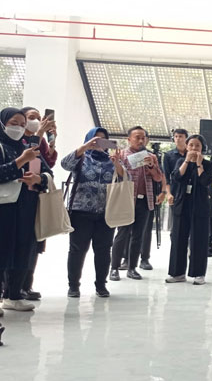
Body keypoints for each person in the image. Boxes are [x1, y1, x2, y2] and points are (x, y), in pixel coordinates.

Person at [61, 128, 125, 297]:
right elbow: (64, 164)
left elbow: (126, 180)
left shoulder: (112, 160)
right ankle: (73, 285)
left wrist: (117, 164)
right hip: (80, 212)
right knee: (77, 250)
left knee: (103, 250)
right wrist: (84, 147)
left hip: (106, 213)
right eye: (95, 140)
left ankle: (101, 285)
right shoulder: (81, 158)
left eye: (104, 140)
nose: (99, 143)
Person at [0, 108, 49, 312]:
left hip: (26, 206)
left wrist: (39, 179)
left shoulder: (26, 147)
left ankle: (15, 294)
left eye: (22, 124)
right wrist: (20, 161)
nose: (18, 128)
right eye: (14, 123)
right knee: (2, 252)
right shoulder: (2, 147)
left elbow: (47, 171)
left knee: (23, 249)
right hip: (4, 208)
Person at [110, 126, 163, 281]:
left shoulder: (151, 156)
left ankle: (132, 268)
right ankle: (114, 268)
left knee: (138, 236)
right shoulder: (122, 155)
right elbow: (118, 175)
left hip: (145, 200)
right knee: (122, 233)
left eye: (143, 138)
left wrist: (151, 167)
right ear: (129, 139)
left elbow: (159, 178)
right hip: (127, 199)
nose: (140, 140)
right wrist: (117, 163)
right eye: (137, 137)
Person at [18, 106, 57, 301]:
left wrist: (40, 179)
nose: (37, 121)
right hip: (15, 202)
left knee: (33, 244)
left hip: (34, 201)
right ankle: (10, 287)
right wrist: (40, 134)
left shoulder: (39, 144)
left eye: (39, 118)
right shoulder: (17, 143)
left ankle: (26, 284)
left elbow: (49, 169)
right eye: (32, 117)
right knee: (15, 243)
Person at [166, 134, 212, 285]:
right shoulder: (181, 161)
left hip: (200, 207)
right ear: (186, 147)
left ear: (202, 148)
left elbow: (205, 181)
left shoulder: (207, 164)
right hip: (182, 205)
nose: (194, 148)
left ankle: (199, 274)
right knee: (178, 238)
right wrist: (187, 161)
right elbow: (175, 177)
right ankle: (177, 273)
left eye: (197, 146)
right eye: (191, 145)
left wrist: (199, 165)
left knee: (199, 240)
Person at [163, 129, 188, 231]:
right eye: (176, 136)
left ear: (186, 138)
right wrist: (168, 194)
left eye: (181, 136)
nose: (178, 139)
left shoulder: (191, 153)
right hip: (175, 190)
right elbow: (166, 176)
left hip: (189, 189)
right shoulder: (169, 155)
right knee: (176, 223)